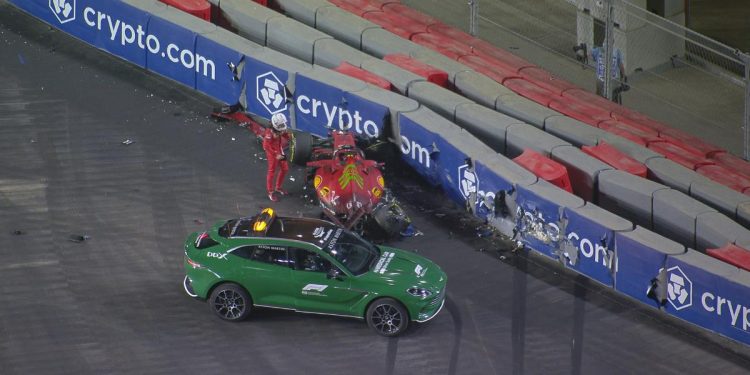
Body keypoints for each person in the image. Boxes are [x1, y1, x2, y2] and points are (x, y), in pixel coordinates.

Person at [263, 113, 291, 202]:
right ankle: (270, 192)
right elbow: (266, 146)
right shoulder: (269, 133)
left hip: (279, 150)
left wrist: (288, 136)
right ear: (276, 125)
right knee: (271, 171)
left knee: (285, 169)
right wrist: (275, 154)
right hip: (272, 153)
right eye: (281, 124)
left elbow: (284, 134)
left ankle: (278, 187)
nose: (283, 126)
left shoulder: (279, 129)